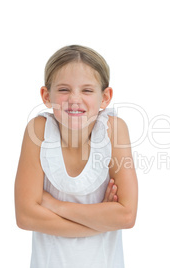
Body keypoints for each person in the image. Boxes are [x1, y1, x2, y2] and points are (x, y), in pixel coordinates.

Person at [15, 45, 138, 268]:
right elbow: (26, 217)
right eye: (64, 90)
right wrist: (101, 220)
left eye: (87, 90)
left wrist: (54, 205)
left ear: (105, 97)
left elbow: (126, 216)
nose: (74, 99)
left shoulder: (113, 130)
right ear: (46, 95)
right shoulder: (38, 131)